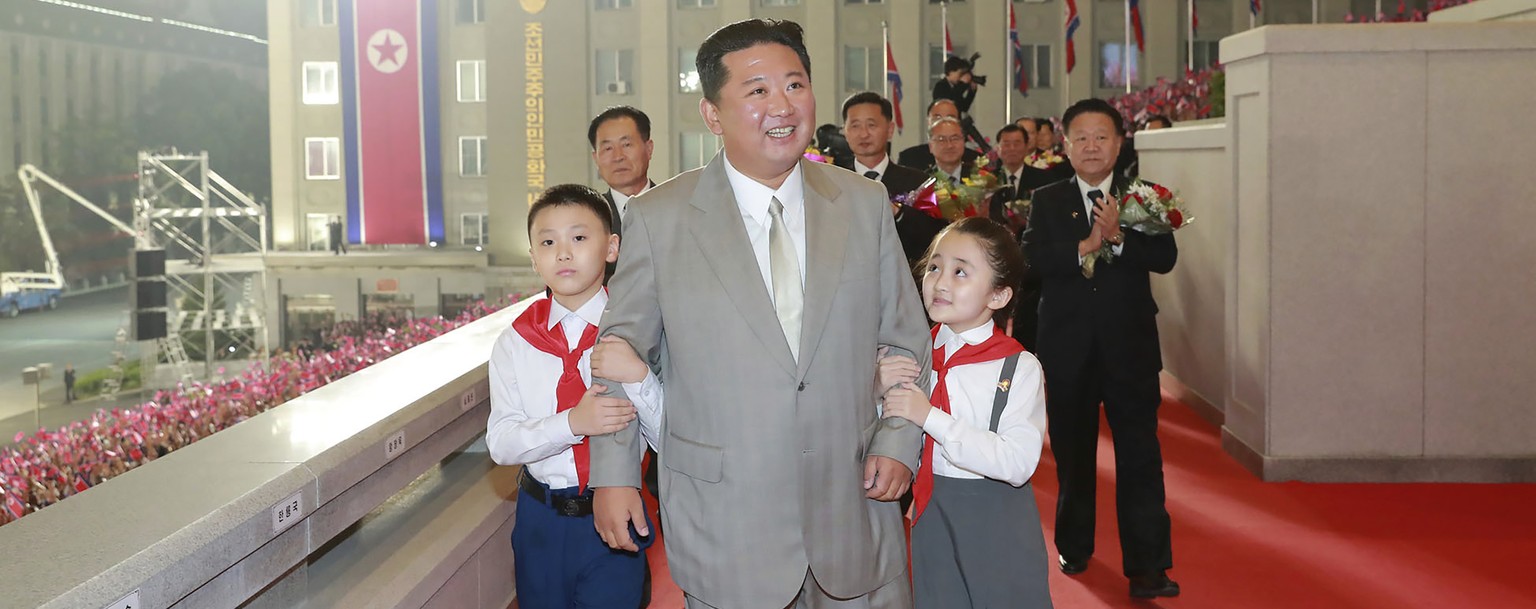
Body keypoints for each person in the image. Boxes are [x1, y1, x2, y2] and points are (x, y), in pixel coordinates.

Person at [588, 18, 932, 609]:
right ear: (713, 115)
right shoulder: (659, 218)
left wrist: (900, 440)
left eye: (795, 85)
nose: (783, 105)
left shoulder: (863, 203)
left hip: (853, 504)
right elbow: (619, 355)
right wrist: (615, 474)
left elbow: (903, 338)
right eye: (757, 91)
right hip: (728, 520)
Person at [1022, 98, 1180, 599]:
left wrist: (1119, 240)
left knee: (1140, 455)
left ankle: (1148, 566)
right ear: (1065, 146)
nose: (1092, 146)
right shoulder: (1048, 199)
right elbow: (1030, 261)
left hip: (1130, 347)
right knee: (1072, 455)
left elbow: (1165, 257)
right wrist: (1087, 245)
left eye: (1102, 136)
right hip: (1068, 347)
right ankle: (1074, 543)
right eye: (1081, 137)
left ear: (1119, 143)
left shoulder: (1145, 197)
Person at [485, 184, 665, 609]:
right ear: (533, 257)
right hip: (540, 518)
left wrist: (639, 378)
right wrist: (572, 424)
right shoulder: (515, 342)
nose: (563, 253)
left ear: (612, 247)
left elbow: (670, 438)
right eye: (548, 242)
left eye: (579, 238)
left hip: (616, 512)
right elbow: (501, 442)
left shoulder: (642, 332)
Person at [880, 217, 1053, 608]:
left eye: (961, 272)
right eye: (935, 267)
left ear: (998, 296)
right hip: (929, 511)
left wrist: (930, 418)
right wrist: (876, 390)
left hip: (995, 518)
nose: (940, 282)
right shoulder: (913, 354)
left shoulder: (1017, 366)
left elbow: (1018, 461)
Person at [840, 91, 944, 270]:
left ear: (890, 130)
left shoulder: (918, 182)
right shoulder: (834, 180)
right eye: (855, 126)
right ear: (845, 131)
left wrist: (898, 212)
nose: (863, 134)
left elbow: (933, 238)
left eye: (871, 125)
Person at [588, 105, 658, 239]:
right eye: (608, 148)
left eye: (626, 145)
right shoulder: (588, 217)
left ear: (649, 149)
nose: (618, 156)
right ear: (595, 158)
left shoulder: (678, 209)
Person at [896, 99, 980, 170]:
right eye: (937, 118)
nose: (944, 123)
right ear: (928, 121)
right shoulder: (909, 159)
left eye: (950, 118)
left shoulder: (976, 162)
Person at [927, 117, 972, 185]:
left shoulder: (981, 179)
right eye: (941, 139)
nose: (949, 145)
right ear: (930, 146)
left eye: (955, 138)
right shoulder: (922, 181)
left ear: (963, 142)